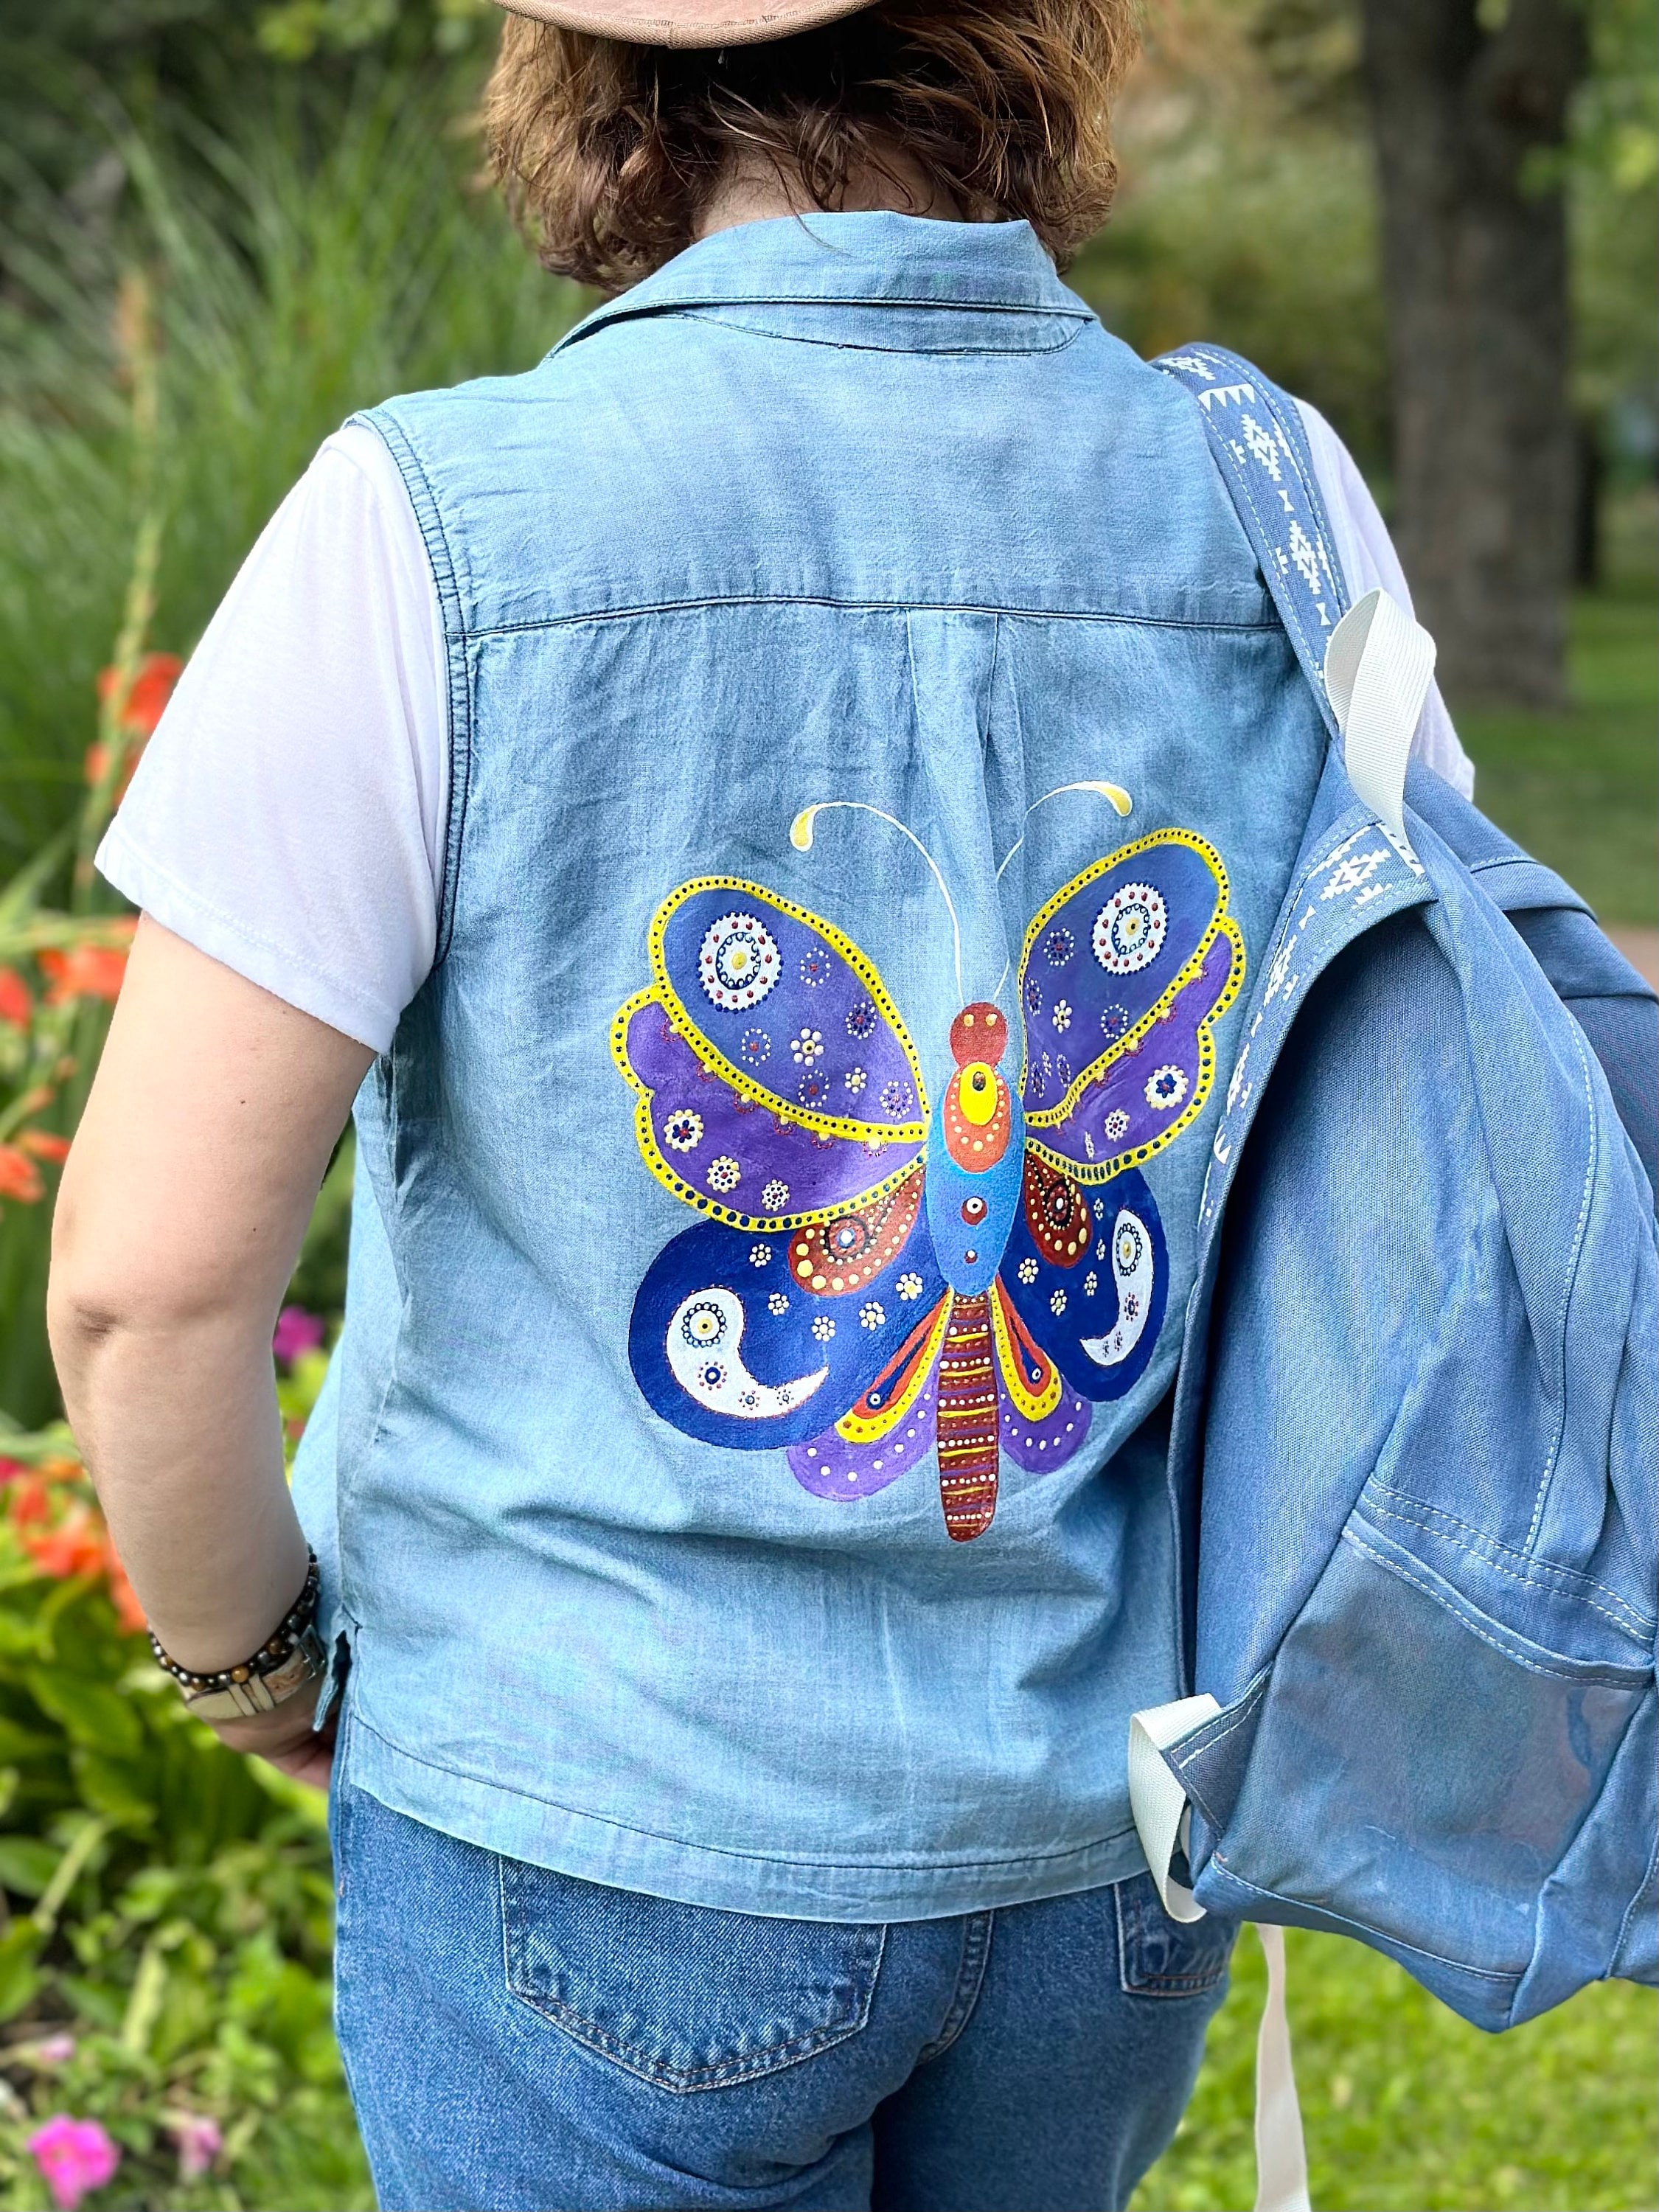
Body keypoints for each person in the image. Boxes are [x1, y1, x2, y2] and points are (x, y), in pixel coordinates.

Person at [47, 4, 1473, 2207]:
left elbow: (142, 1285)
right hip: (1098, 1826)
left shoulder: (431, 523)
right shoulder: (1273, 503)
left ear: (589, 83)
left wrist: (246, 1663)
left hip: (589, 1807)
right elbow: (1414, 1103)